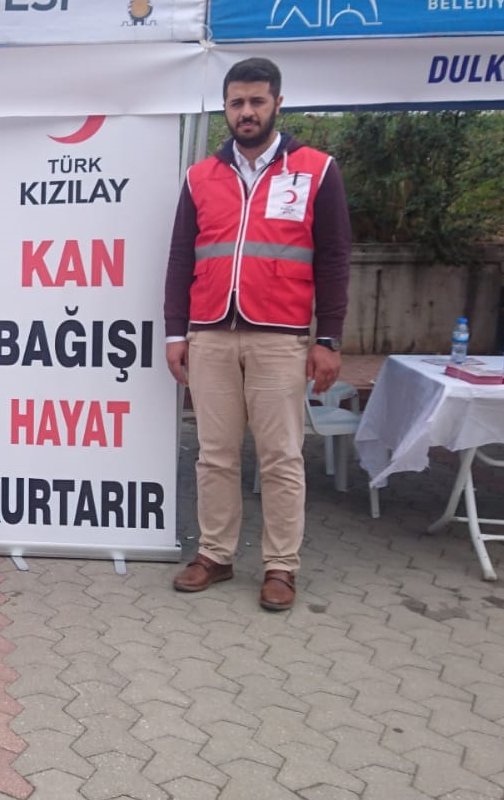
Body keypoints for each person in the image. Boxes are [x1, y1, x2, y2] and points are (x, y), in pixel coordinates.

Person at [163, 57, 352, 613]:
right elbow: (180, 259)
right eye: (236, 103)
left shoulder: (316, 170)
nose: (246, 112)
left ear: (277, 104)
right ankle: (215, 555)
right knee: (214, 454)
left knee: (281, 457)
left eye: (256, 101)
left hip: (280, 336)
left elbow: (335, 259)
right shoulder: (200, 176)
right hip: (211, 334)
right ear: (225, 108)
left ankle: (280, 566)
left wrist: (329, 338)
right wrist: (175, 333)